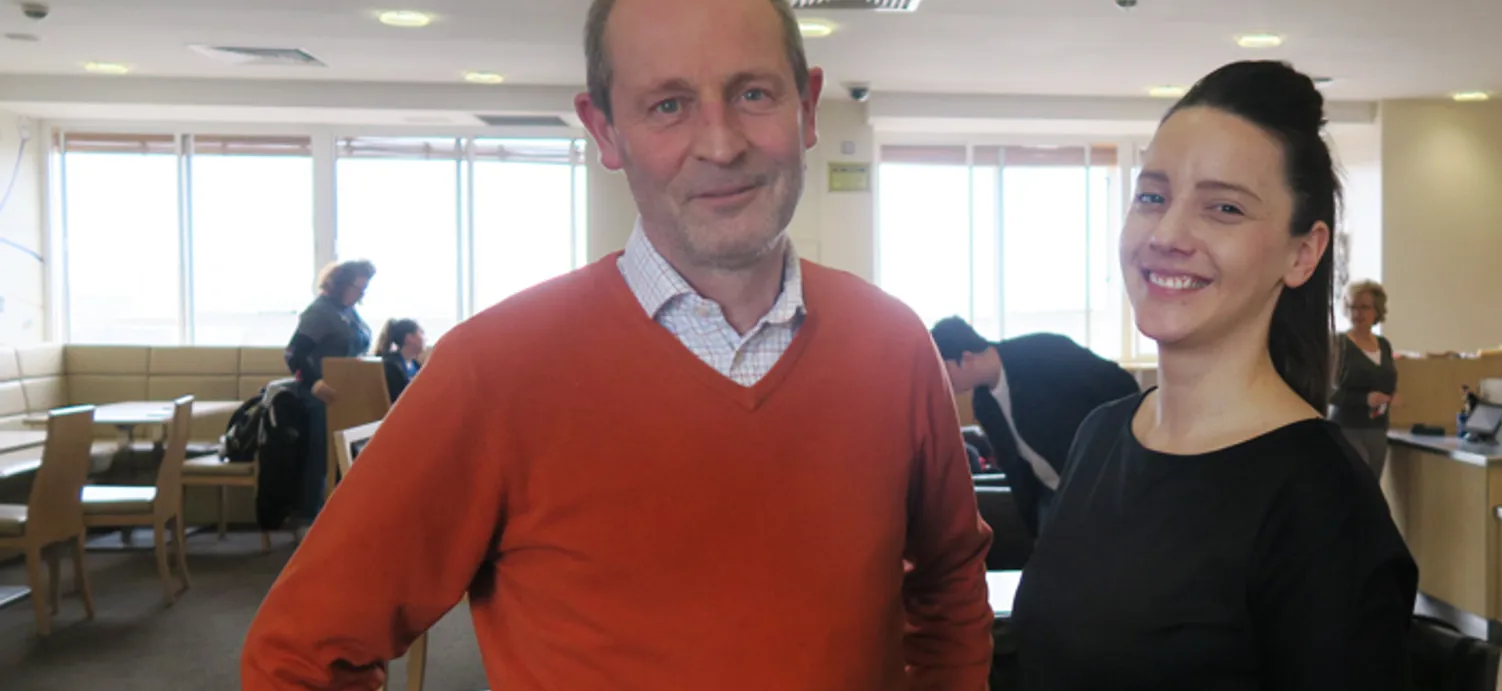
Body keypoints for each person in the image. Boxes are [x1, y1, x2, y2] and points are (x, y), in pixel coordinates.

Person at [240, 0, 993, 688]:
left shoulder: (893, 345)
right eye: (668, 105)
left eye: (753, 94)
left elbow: (950, 586)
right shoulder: (493, 371)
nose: (721, 143)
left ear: (807, 107)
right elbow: (298, 654)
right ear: (604, 130)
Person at [1012, 61, 1418, 690]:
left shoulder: (1323, 503)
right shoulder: (1101, 436)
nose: (1167, 233)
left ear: (1303, 252)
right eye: (1152, 197)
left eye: (1224, 208)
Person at [930, 317, 1139, 537]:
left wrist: (1111, 455)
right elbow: (1014, 469)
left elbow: (1122, 386)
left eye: (943, 369)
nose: (941, 381)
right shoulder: (984, 404)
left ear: (966, 357)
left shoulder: (1042, 352)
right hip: (1051, 497)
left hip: (1101, 488)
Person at [281, 259, 374, 524]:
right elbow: (293, 355)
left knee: (346, 455)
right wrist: (314, 382)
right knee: (321, 455)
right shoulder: (320, 313)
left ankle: (341, 516)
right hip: (321, 396)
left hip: (346, 395)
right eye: (358, 288)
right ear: (340, 284)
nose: (361, 295)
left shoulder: (348, 312)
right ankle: (310, 517)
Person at [1331, 280, 1397, 479]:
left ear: (1377, 310)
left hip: (1377, 429)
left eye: (1364, 307)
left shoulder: (1384, 345)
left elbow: (1388, 382)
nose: (1358, 314)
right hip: (1347, 428)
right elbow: (1328, 392)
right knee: (1356, 485)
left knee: (1372, 489)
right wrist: (1364, 399)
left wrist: (1391, 396)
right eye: (1353, 307)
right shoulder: (1338, 343)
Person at [371, 318, 426, 403]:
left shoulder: (417, 366)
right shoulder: (390, 366)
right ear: (409, 338)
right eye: (421, 333)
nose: (425, 338)